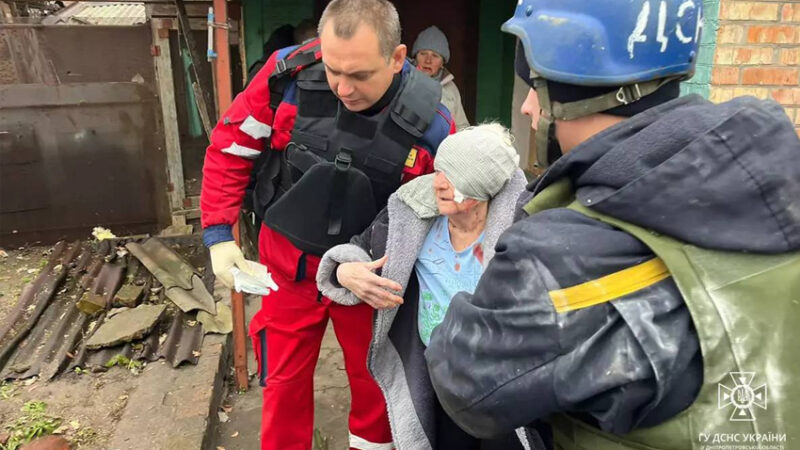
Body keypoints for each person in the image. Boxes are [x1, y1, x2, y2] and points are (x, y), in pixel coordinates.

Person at [425, 0, 800, 449]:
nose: (527, 107)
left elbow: (463, 384)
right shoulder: (776, 182)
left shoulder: (556, 257)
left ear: (584, 90)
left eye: (537, 86)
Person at [200, 0, 455, 448]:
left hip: (369, 278)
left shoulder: (432, 123)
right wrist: (220, 235)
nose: (343, 88)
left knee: (376, 387)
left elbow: (439, 215)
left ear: (397, 58)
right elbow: (232, 145)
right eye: (335, 70)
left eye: (360, 76)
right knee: (281, 386)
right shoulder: (288, 76)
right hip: (288, 265)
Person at [316, 124, 531, 449]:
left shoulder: (523, 230)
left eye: (454, 175)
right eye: (440, 171)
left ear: (482, 186)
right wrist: (345, 270)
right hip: (439, 375)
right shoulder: (414, 215)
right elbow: (360, 246)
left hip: (501, 378)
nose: (439, 183)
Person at [412, 26, 469, 131]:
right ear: (415, 57)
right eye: (423, 53)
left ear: (442, 63)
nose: (428, 60)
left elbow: (461, 126)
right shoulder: (404, 81)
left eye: (435, 55)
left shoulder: (450, 88)